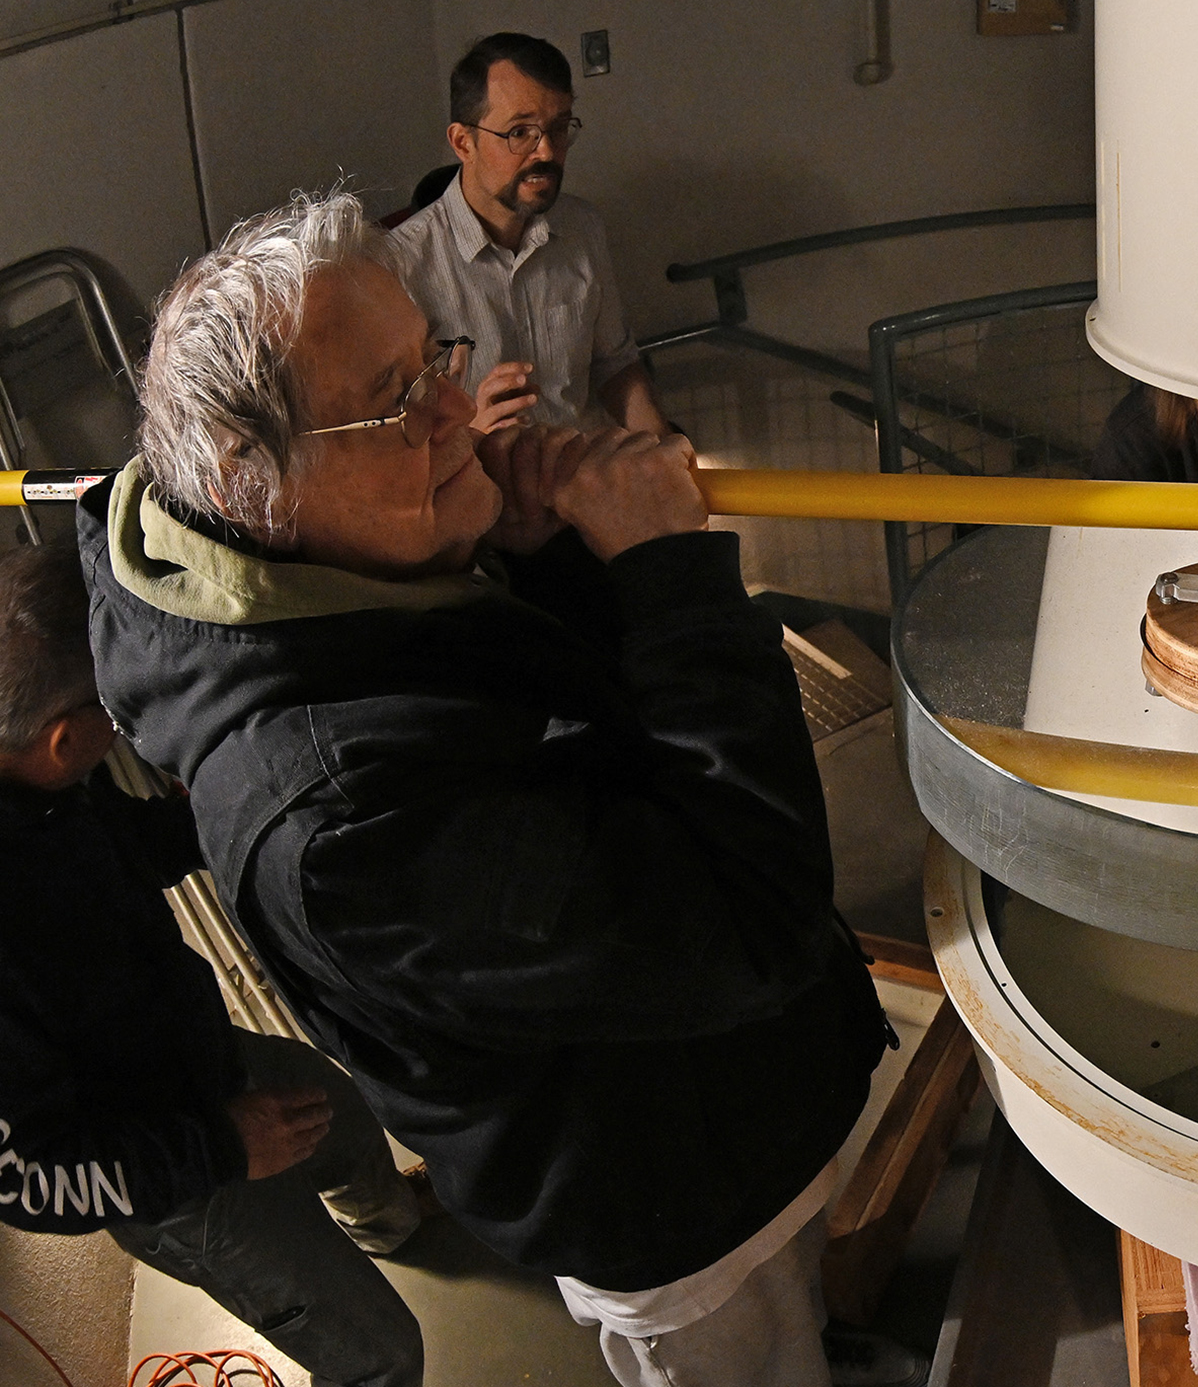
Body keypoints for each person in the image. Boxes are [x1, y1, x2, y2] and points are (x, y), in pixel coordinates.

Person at [80, 189, 895, 1387]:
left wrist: (538, 552)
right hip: (672, 1198)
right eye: (398, 400)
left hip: (718, 1098)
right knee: (751, 1358)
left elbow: (582, 736)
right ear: (265, 485)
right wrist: (670, 577)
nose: (459, 407)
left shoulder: (358, 569)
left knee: (798, 1316)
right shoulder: (337, 820)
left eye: (433, 360)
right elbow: (745, 919)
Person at [0, 540, 425, 1387]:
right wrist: (222, 1148)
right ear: (61, 739)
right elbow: (30, 1182)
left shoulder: (43, 782)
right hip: (170, 1173)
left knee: (342, 1117)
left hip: (196, 1056)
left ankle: (400, 1230)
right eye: (114, 707)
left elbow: (117, 848)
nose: (127, 717)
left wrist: (228, 800)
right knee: (384, 1356)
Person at [390, 32, 668, 440]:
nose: (548, 152)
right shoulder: (401, 265)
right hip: (473, 494)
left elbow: (614, 364)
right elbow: (390, 436)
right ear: (463, 143)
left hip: (575, 482)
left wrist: (668, 456)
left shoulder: (582, 228)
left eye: (558, 128)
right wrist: (470, 432)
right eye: (520, 132)